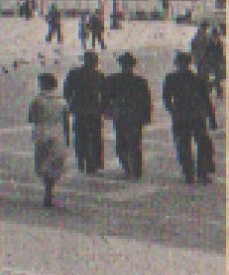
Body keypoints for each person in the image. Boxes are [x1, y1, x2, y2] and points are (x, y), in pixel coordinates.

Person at [163, 51, 217, 184]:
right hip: (191, 115)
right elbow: (167, 98)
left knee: (191, 144)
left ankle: (196, 172)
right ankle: (194, 172)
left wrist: (173, 110)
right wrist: (173, 110)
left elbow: (206, 99)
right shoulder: (192, 78)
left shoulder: (186, 79)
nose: (183, 66)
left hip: (189, 116)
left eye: (184, 64)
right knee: (188, 145)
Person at [101, 51, 151, 180]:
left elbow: (146, 100)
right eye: (125, 64)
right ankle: (131, 168)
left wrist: (146, 115)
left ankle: (133, 169)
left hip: (129, 116)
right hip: (127, 116)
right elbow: (106, 97)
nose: (126, 67)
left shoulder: (135, 81)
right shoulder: (118, 80)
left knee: (130, 143)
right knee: (126, 144)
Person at [28, 73, 70, 209]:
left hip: (42, 131)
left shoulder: (37, 100)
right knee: (54, 163)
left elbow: (32, 118)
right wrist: (67, 137)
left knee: (43, 161)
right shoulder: (62, 101)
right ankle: (50, 190)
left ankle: (47, 190)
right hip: (57, 132)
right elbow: (66, 121)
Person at [62, 51, 105, 174]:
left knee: (81, 137)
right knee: (95, 137)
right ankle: (94, 163)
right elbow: (104, 94)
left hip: (80, 110)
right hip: (94, 111)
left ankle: (82, 160)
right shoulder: (99, 76)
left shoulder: (75, 74)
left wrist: (69, 104)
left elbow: (67, 92)